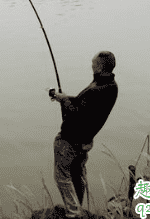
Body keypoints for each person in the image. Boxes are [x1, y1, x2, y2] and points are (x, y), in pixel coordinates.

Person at [49, 51, 118, 218]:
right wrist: (62, 98)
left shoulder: (95, 90)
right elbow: (84, 105)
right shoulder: (111, 86)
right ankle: (78, 208)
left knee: (63, 177)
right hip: (85, 141)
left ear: (100, 66)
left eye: (94, 65)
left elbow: (76, 112)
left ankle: (73, 213)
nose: (92, 67)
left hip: (70, 141)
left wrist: (64, 101)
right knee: (77, 174)